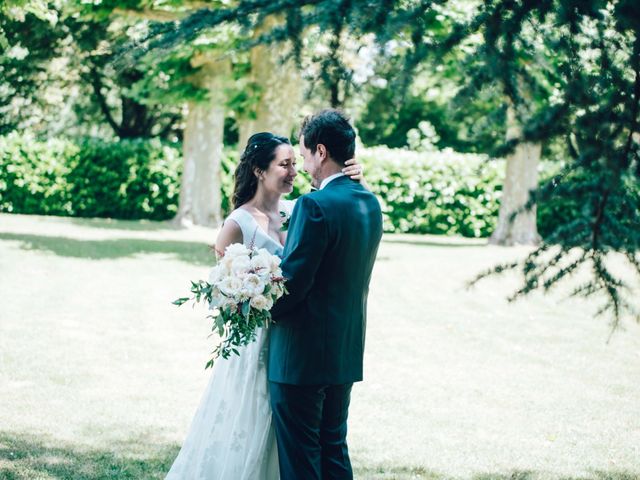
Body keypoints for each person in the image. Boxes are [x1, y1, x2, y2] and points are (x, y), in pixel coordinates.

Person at [165, 130, 366, 480]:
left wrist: (354, 182)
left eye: (294, 163)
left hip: (298, 342)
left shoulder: (299, 209)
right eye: (284, 165)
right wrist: (247, 298)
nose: (293, 171)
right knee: (253, 423)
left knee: (298, 438)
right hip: (257, 346)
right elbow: (223, 292)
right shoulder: (237, 224)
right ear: (259, 170)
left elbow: (327, 230)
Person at [268, 110, 383, 480]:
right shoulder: (370, 202)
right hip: (344, 351)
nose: (302, 165)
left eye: (302, 155)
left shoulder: (313, 205)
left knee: (301, 460)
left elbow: (292, 283)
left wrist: (256, 306)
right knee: (333, 450)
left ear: (320, 151)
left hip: (301, 355)